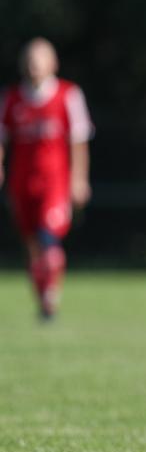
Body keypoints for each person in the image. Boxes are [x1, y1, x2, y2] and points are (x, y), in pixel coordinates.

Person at [0, 38, 93, 321]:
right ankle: (42, 300)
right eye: (29, 59)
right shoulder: (12, 98)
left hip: (55, 183)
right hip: (21, 182)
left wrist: (79, 179)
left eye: (40, 59)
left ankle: (51, 295)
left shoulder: (68, 95)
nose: (34, 65)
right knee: (31, 245)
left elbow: (78, 141)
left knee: (49, 243)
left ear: (53, 63)